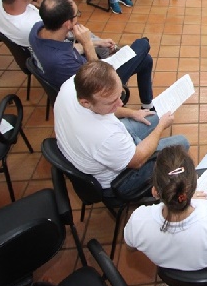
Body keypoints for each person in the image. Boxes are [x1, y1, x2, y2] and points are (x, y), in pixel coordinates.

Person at [54, 61, 189, 198]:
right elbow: (137, 160)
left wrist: (133, 113)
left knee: (157, 115)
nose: (121, 103)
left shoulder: (71, 86)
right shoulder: (105, 136)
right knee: (182, 143)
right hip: (119, 177)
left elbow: (106, 108)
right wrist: (160, 128)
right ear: (86, 103)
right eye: (112, 102)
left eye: (119, 95)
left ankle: (141, 136)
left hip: (111, 144)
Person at [124, 144, 207, 271]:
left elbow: (130, 247)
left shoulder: (138, 220)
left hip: (178, 274)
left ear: (155, 192)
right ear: (195, 182)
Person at [29, 0, 155, 108]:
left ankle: (147, 105)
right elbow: (97, 79)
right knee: (143, 44)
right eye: (76, 15)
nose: (78, 18)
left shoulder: (37, 30)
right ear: (68, 24)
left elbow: (67, 48)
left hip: (84, 71)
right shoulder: (61, 61)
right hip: (95, 86)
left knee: (146, 60)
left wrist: (97, 43)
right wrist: (87, 43)